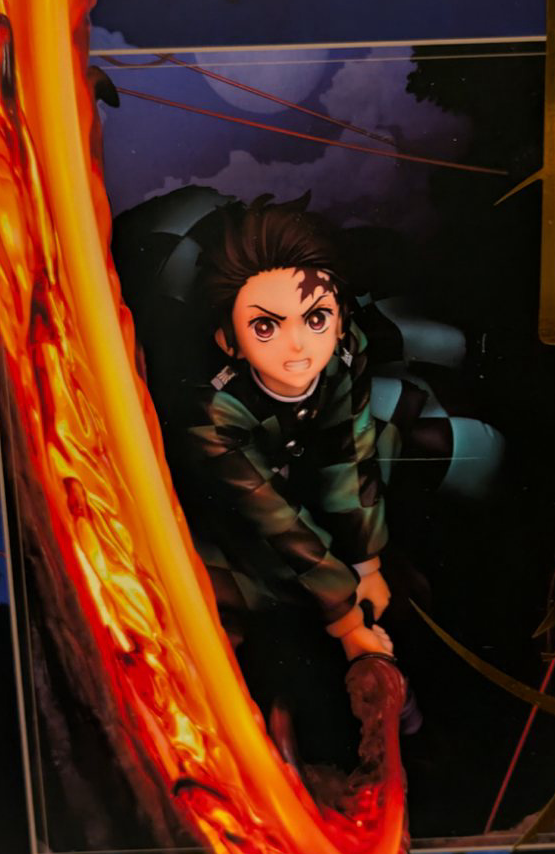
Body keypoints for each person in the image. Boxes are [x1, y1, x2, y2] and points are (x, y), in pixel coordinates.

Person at [169, 195, 394, 675]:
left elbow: (351, 449)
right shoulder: (214, 409)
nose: (298, 344)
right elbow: (270, 515)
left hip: (295, 470)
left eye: (316, 319)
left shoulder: (345, 355)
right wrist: (346, 619)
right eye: (265, 326)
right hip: (226, 510)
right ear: (229, 339)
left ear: (340, 321)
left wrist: (366, 562)